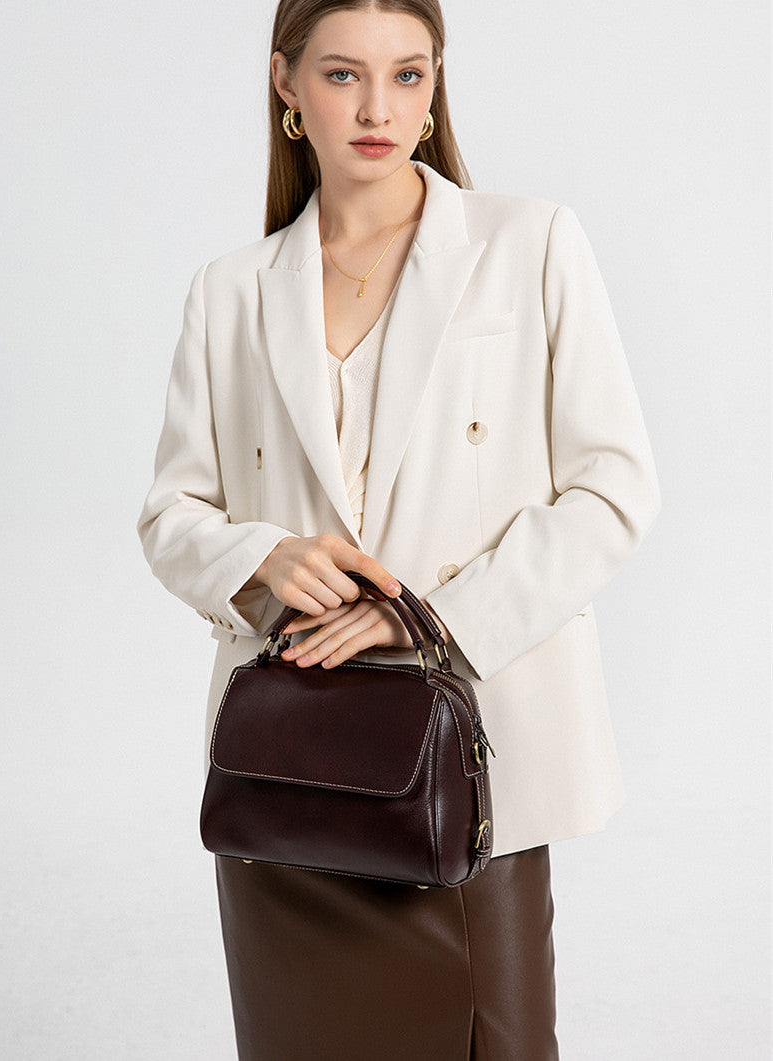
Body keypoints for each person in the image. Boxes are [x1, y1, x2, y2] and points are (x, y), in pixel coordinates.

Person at [137, 1, 662, 1057]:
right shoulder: (230, 291)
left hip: (473, 769)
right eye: (343, 75)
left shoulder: (529, 243)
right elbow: (171, 513)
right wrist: (264, 556)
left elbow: (613, 491)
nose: (379, 108)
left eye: (408, 75)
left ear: (434, 86)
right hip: (287, 780)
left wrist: (424, 617)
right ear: (286, 85)